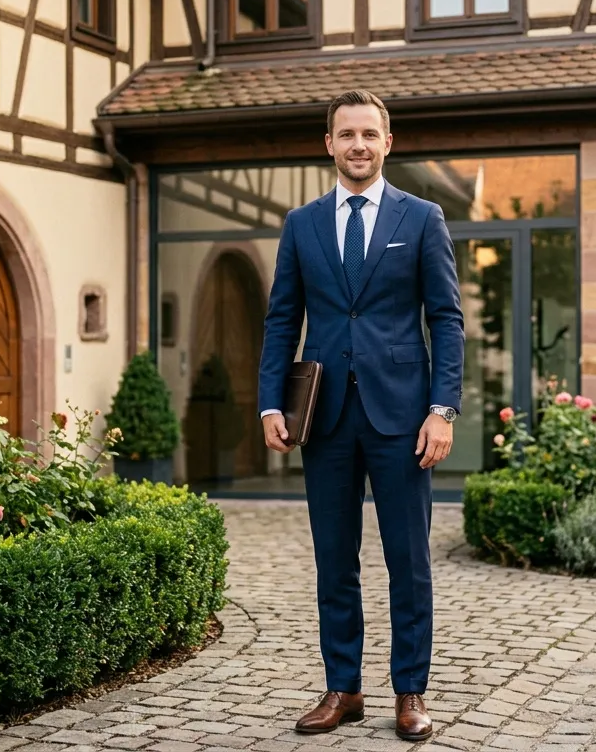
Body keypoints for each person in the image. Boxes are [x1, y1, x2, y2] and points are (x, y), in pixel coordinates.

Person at [257, 89, 465, 742]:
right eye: (347, 134)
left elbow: (447, 319)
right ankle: (342, 689)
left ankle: (410, 693)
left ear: (387, 143)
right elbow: (282, 318)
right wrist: (270, 401)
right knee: (333, 561)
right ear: (329, 144)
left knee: (409, 561)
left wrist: (442, 409)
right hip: (325, 419)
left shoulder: (423, 218)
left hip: (403, 420)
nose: (358, 145)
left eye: (369, 134)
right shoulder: (302, 224)